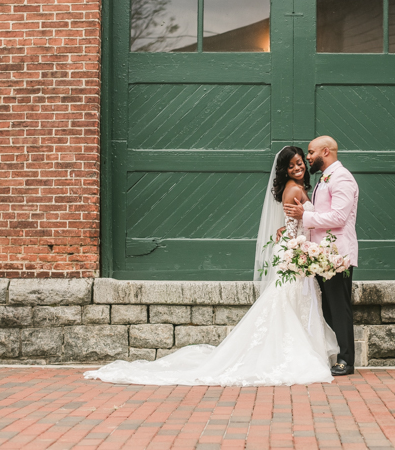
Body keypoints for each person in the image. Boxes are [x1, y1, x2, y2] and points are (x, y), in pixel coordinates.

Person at [83, 146, 339, 386]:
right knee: (289, 301)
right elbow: (297, 227)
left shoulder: (296, 187)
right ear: (284, 170)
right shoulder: (294, 190)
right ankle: (291, 353)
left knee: (292, 302)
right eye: (292, 165)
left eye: (300, 163)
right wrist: (301, 246)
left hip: (295, 249)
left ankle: (287, 348)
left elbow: (293, 223)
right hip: (295, 251)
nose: (298, 168)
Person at [283, 136, 359, 376]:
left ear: (325, 152)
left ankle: (346, 360)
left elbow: (338, 217)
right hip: (320, 255)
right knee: (327, 308)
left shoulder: (342, 178)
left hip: (337, 255)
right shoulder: (324, 179)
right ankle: (336, 355)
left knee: (339, 307)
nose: (307, 157)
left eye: (311, 152)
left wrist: (302, 217)